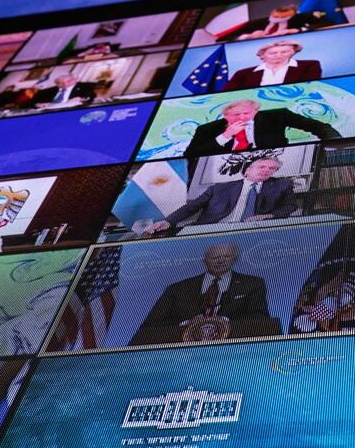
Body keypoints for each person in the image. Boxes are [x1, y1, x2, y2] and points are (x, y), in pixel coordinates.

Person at [129, 243, 279, 345]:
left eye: (226, 257)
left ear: (234, 258)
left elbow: (260, 320)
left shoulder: (253, 284)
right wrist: (186, 324)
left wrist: (224, 322)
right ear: (204, 260)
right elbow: (150, 327)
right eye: (215, 257)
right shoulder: (177, 289)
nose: (221, 261)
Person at [145, 157, 297, 234]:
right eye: (262, 166)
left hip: (252, 231)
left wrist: (268, 216)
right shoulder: (220, 188)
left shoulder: (281, 185)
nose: (266, 170)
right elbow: (192, 207)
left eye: (272, 169)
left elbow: (290, 206)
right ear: (247, 170)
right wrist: (168, 222)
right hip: (213, 230)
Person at [184, 99, 340, 158]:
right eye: (235, 115)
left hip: (275, 160)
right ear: (225, 115)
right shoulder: (207, 129)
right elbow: (190, 155)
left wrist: (334, 146)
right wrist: (224, 136)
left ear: (255, 112)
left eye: (246, 113)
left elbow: (319, 127)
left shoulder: (277, 115)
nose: (241, 118)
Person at [224, 40, 321, 90]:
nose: (279, 55)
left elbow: (311, 88)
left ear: (293, 52)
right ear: (262, 55)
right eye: (273, 53)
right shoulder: (243, 73)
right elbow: (228, 94)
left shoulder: (310, 65)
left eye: (284, 52)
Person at [225, 5, 333, 41]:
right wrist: (247, 36)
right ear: (272, 13)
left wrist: (298, 30)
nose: (278, 19)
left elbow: (327, 23)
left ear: (293, 15)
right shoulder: (255, 24)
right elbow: (222, 39)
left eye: (284, 17)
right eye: (276, 17)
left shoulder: (301, 18)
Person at [31, 74, 97, 107]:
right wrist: (37, 105)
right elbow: (29, 103)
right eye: (60, 83)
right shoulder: (46, 91)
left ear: (74, 80)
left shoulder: (84, 87)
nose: (65, 84)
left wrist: (81, 99)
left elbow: (91, 96)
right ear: (57, 84)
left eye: (68, 81)